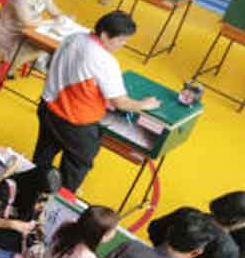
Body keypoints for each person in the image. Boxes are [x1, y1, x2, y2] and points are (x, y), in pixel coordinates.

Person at [34, 10, 159, 192]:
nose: (122, 45)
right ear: (105, 34)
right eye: (120, 40)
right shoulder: (104, 60)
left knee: (44, 153)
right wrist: (144, 104)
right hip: (75, 121)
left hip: (48, 107)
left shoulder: (74, 37)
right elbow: (120, 103)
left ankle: (35, 184)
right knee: (78, 162)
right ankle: (61, 197)